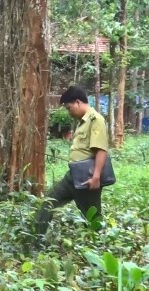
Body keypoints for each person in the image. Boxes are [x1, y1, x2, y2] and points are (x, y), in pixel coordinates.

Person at [34, 86, 109, 239]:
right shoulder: (82, 122)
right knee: (49, 201)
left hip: (88, 177)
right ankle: (35, 241)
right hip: (73, 175)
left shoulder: (96, 120)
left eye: (69, 108)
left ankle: (100, 246)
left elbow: (101, 150)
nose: (69, 112)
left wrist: (96, 177)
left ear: (78, 102)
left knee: (93, 216)